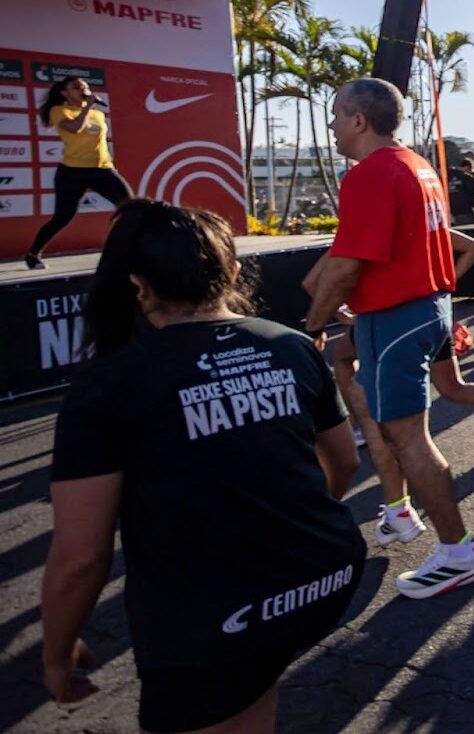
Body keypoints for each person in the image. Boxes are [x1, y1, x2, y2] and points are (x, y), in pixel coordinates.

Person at [44, 200, 363, 732]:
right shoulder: (291, 346)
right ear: (232, 273)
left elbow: (81, 557)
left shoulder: (108, 384)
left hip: (219, 617)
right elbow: (346, 461)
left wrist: (55, 655)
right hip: (326, 575)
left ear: (139, 287)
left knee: (238, 676)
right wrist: (289, 527)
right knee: (252, 682)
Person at [304, 77, 474, 599]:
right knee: (394, 429)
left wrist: (313, 326)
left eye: (337, 114)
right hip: (423, 311)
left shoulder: (370, 174)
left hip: (397, 320)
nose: (332, 125)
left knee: (408, 438)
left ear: (359, 120)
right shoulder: (416, 165)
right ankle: (401, 512)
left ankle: (459, 552)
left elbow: (344, 268)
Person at [304, 229, 474, 547]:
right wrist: (444, 285)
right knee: (451, 387)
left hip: (386, 322)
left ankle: (408, 513)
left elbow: (315, 281)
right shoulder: (421, 225)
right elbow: (472, 246)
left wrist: (329, 320)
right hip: (432, 314)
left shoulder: (364, 233)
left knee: (388, 426)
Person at [25, 78, 132, 269]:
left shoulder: (98, 114)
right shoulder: (59, 110)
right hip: (72, 172)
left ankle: (129, 251)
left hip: (102, 169)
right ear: (64, 93)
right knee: (63, 217)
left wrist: (110, 167)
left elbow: (100, 143)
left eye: (85, 87)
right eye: (76, 87)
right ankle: (33, 253)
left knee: (131, 207)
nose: (83, 89)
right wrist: (87, 108)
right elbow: (75, 128)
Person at [448, 158, 474, 225]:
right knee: (469, 229)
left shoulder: (449, 176)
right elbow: (473, 192)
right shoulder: (467, 177)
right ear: (467, 167)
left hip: (452, 210)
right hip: (466, 210)